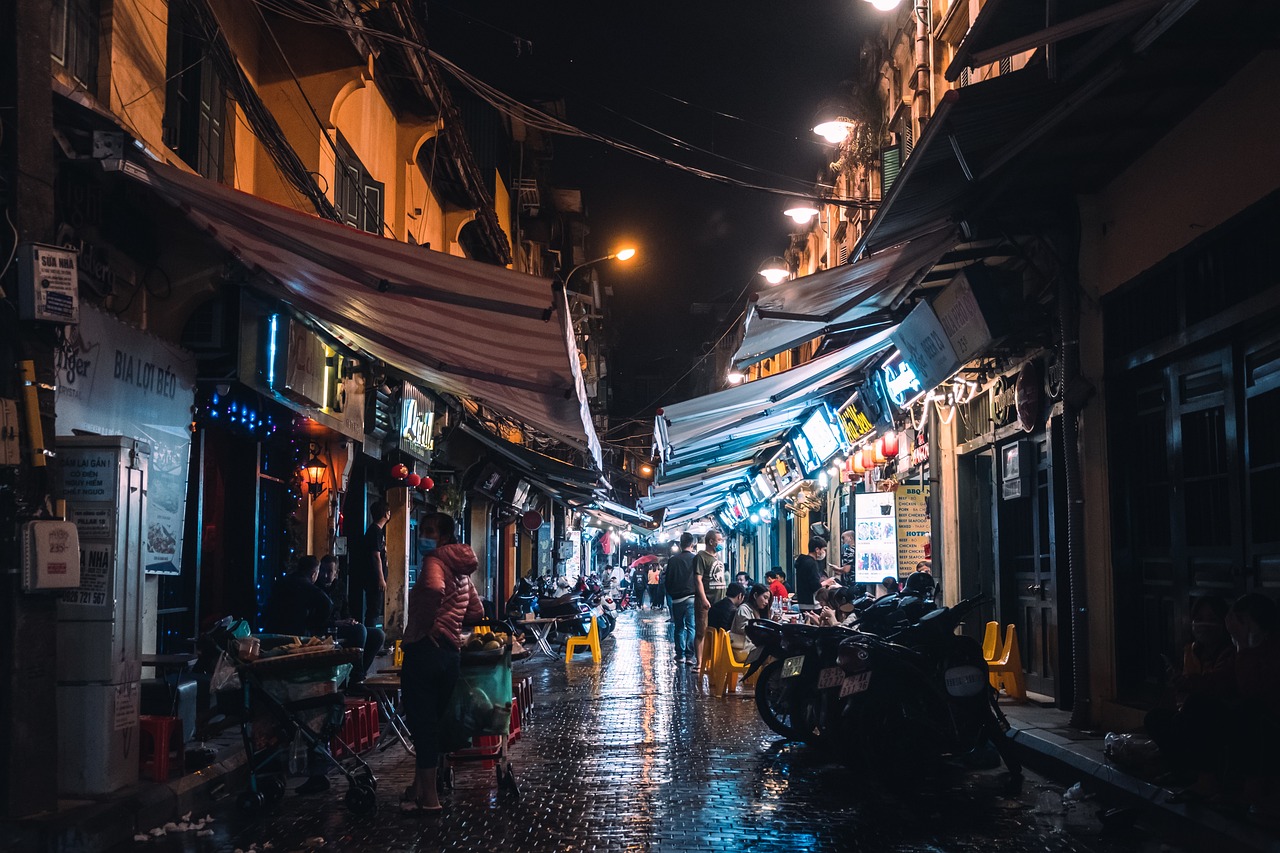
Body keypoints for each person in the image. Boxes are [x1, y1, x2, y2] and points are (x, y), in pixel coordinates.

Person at [400, 511, 484, 814]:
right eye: (423, 529)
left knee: (423, 727)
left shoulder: (434, 561)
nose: (423, 535)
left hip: (425, 651)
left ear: (445, 537)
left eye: (430, 530)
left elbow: (435, 590)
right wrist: (454, 626)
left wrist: (427, 625)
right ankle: (418, 789)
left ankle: (430, 800)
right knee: (431, 724)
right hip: (450, 654)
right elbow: (476, 611)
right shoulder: (461, 570)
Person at [317, 555, 385, 689]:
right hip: (327, 628)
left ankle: (359, 673)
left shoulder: (340, 587)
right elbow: (316, 620)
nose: (325, 575)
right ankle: (357, 679)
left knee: (378, 635)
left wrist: (350, 620)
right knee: (360, 631)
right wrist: (337, 623)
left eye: (329, 571)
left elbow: (345, 610)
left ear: (336, 573)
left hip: (341, 626)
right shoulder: (315, 590)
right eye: (322, 571)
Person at [263, 555, 332, 638]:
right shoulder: (311, 589)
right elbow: (328, 604)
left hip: (274, 632)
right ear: (314, 574)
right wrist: (313, 624)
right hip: (299, 635)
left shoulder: (281, 583)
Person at [352, 500, 392, 627]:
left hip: (374, 578)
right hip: (373, 579)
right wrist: (381, 578)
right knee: (373, 610)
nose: (390, 514)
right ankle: (371, 637)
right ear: (385, 514)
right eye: (389, 511)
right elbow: (376, 556)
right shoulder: (375, 531)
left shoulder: (377, 531)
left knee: (374, 609)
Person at [664, 533, 700, 666]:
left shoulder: (673, 560)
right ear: (692, 544)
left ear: (680, 544)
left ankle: (680, 655)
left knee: (679, 627)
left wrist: (671, 593)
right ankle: (690, 656)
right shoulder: (696, 558)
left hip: (677, 599)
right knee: (691, 627)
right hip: (692, 597)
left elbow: (667, 580)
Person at [694, 529, 727, 660]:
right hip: (706, 601)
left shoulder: (717, 557)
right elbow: (698, 580)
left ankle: (713, 661)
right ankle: (699, 662)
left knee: (717, 631)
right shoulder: (701, 557)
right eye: (719, 540)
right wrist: (703, 599)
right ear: (711, 541)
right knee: (701, 631)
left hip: (720, 601)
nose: (721, 543)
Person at [730, 584, 773, 659]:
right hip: (743, 647)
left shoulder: (758, 610)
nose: (766, 602)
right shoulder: (744, 609)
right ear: (755, 595)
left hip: (751, 646)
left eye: (768, 600)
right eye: (765, 598)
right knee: (772, 653)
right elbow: (743, 629)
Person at [794, 537, 828, 605]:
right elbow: (815, 586)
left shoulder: (802, 561)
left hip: (802, 601)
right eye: (824, 550)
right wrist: (827, 582)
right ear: (817, 549)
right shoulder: (812, 563)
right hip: (811, 602)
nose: (824, 552)